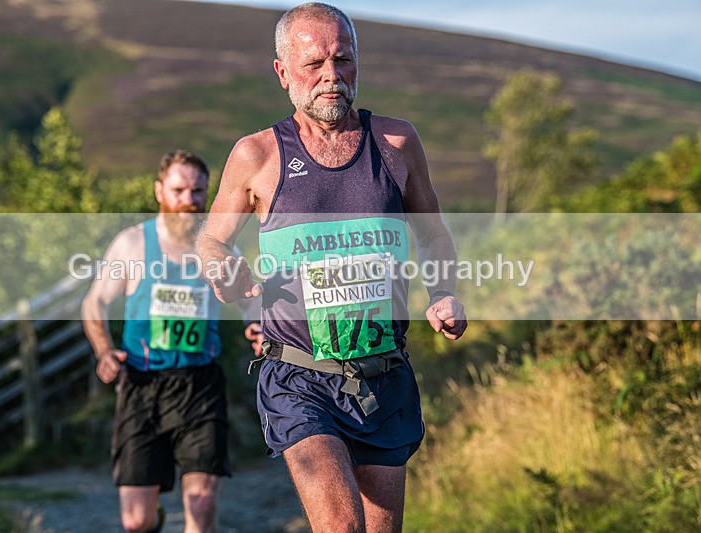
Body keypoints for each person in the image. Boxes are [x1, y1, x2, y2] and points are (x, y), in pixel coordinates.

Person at [196, 3, 467, 532]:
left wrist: (443, 293)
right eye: (313, 64)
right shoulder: (256, 155)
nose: (330, 77)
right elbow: (211, 239)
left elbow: (433, 235)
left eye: (343, 61)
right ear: (282, 72)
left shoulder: (395, 143)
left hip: (383, 372)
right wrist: (222, 268)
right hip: (299, 375)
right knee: (342, 527)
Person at [82, 149, 262, 533]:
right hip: (142, 384)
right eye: (179, 190)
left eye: (198, 191)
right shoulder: (132, 244)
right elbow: (94, 301)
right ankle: (155, 518)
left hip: (200, 384)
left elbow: (250, 303)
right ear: (159, 191)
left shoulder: (221, 250)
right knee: (137, 521)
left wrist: (256, 328)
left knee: (201, 504)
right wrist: (103, 350)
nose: (189, 201)